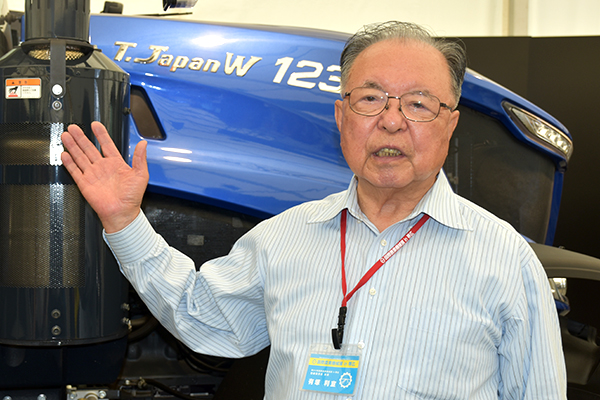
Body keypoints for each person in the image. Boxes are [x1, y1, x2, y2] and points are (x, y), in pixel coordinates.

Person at [61, 21, 566, 399]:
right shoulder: (284, 238)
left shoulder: (505, 260)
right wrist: (124, 221)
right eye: (371, 99)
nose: (391, 122)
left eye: (417, 104)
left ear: (450, 125)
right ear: (341, 116)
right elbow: (206, 319)